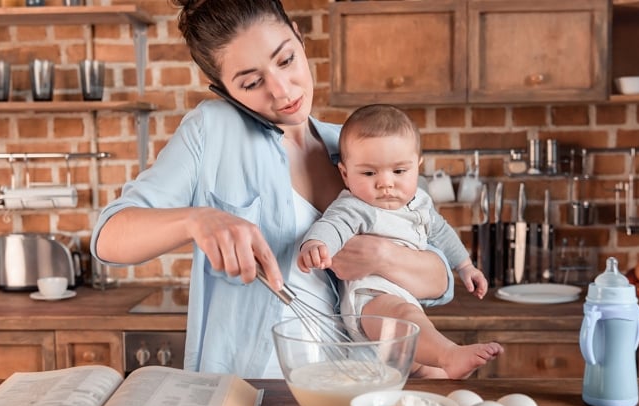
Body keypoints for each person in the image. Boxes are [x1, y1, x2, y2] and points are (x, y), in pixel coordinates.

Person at [91, 0, 454, 379]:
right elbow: (108, 237)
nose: (282, 91)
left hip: (361, 386)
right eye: (251, 82)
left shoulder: (351, 148)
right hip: (251, 389)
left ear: (298, 36)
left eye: (286, 60)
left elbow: (440, 279)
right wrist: (196, 220)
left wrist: (380, 255)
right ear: (225, 90)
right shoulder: (210, 131)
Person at [297, 104, 504, 379]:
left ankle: (446, 381)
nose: (385, 183)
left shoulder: (420, 203)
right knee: (404, 316)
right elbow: (332, 226)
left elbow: (442, 233)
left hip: (405, 297)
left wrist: (466, 266)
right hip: (371, 297)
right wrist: (314, 244)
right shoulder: (356, 206)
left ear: (417, 166)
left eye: (398, 171)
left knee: (428, 367)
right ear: (345, 173)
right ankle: (449, 354)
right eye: (369, 173)